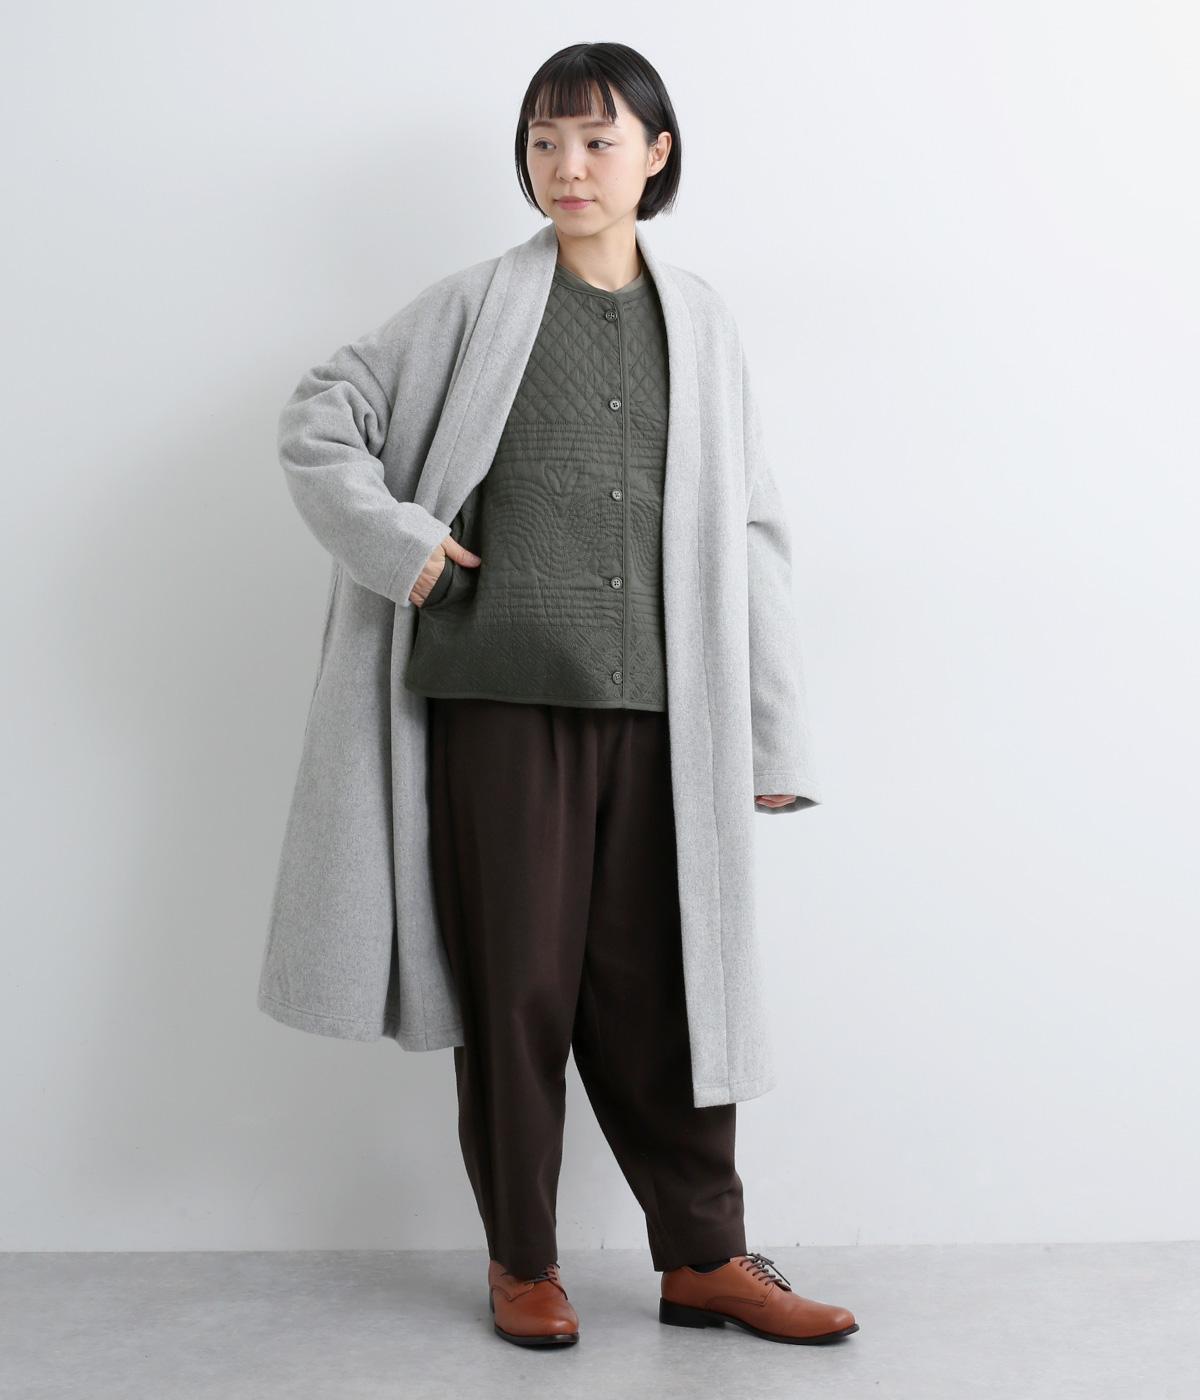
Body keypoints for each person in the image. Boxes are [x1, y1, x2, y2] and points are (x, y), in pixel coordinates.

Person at [260, 40, 859, 1350]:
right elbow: (320, 416)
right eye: (543, 141)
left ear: (657, 154)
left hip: (667, 715)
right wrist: (404, 547)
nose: (567, 166)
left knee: (673, 993)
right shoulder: (473, 306)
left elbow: (752, 529)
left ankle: (705, 1259)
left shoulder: (703, 322)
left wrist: (771, 733)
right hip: (500, 697)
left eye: (596, 140)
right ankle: (522, 1262)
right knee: (518, 987)